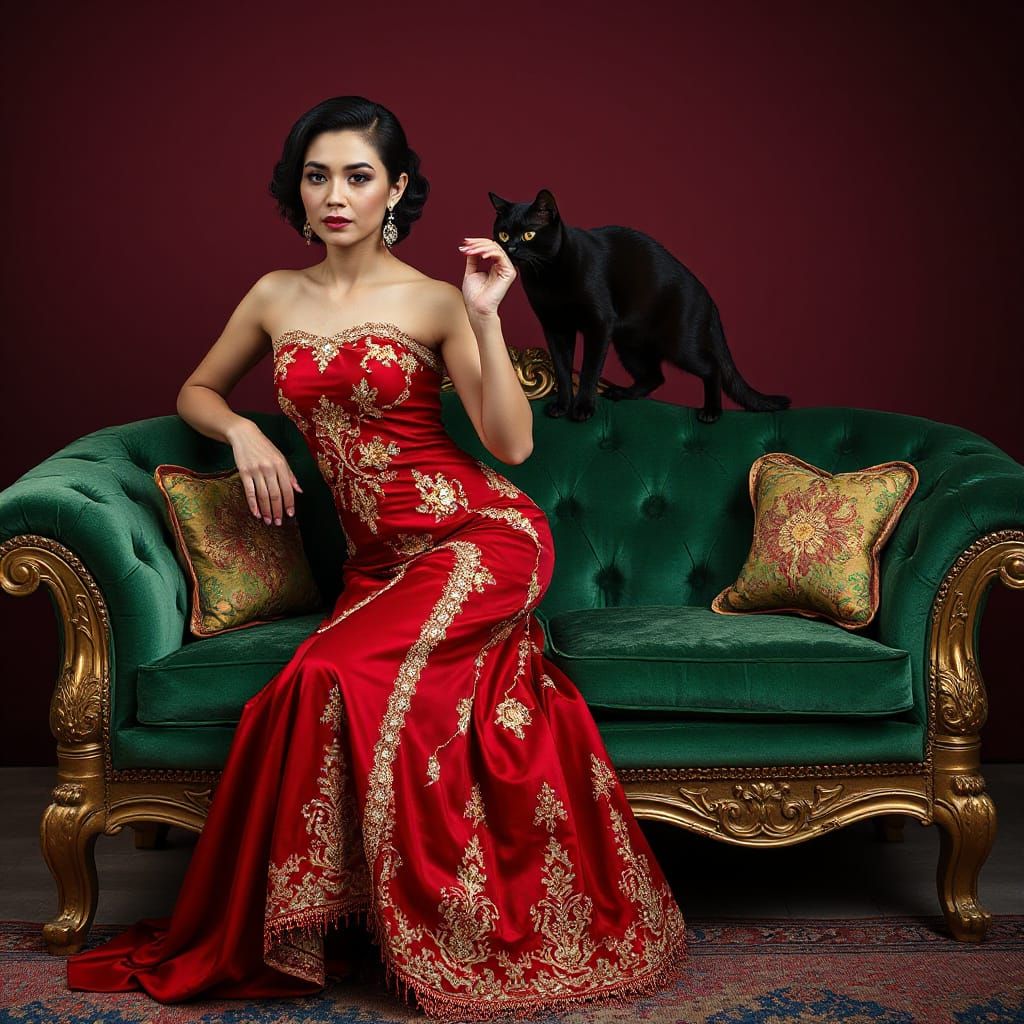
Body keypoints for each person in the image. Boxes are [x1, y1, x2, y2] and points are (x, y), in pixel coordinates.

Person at [66, 95, 688, 1021]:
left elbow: (511, 448)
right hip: (376, 567)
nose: (335, 195)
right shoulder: (275, 294)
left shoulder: (438, 300)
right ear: (299, 190)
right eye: (318, 176)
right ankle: (328, 918)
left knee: (324, 674)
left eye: (358, 176)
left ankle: (417, 920)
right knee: (310, 685)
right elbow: (196, 389)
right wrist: (243, 432)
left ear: (395, 188)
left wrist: (485, 315)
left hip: (480, 539)